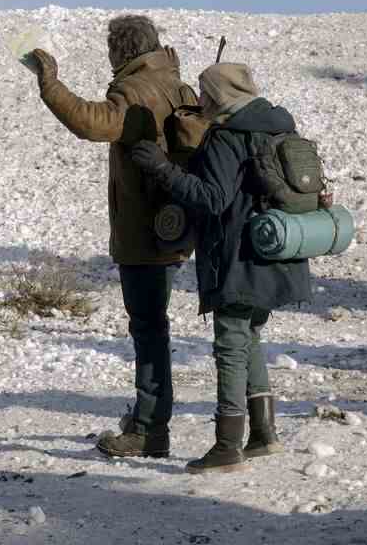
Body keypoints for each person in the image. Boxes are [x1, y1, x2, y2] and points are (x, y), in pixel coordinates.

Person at [27, 15, 197, 458]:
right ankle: (148, 419)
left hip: (144, 228)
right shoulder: (175, 82)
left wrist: (50, 84)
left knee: (148, 328)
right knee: (153, 325)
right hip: (173, 222)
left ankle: (149, 429)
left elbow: (93, 123)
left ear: (119, 52)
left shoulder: (136, 90)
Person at [131, 62, 312, 474]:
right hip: (277, 250)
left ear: (219, 95)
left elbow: (212, 199)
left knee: (230, 344)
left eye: (205, 93)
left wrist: (161, 168)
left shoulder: (227, 137)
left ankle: (227, 445)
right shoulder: (280, 126)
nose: (201, 101)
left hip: (238, 255)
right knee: (248, 336)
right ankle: (264, 435)